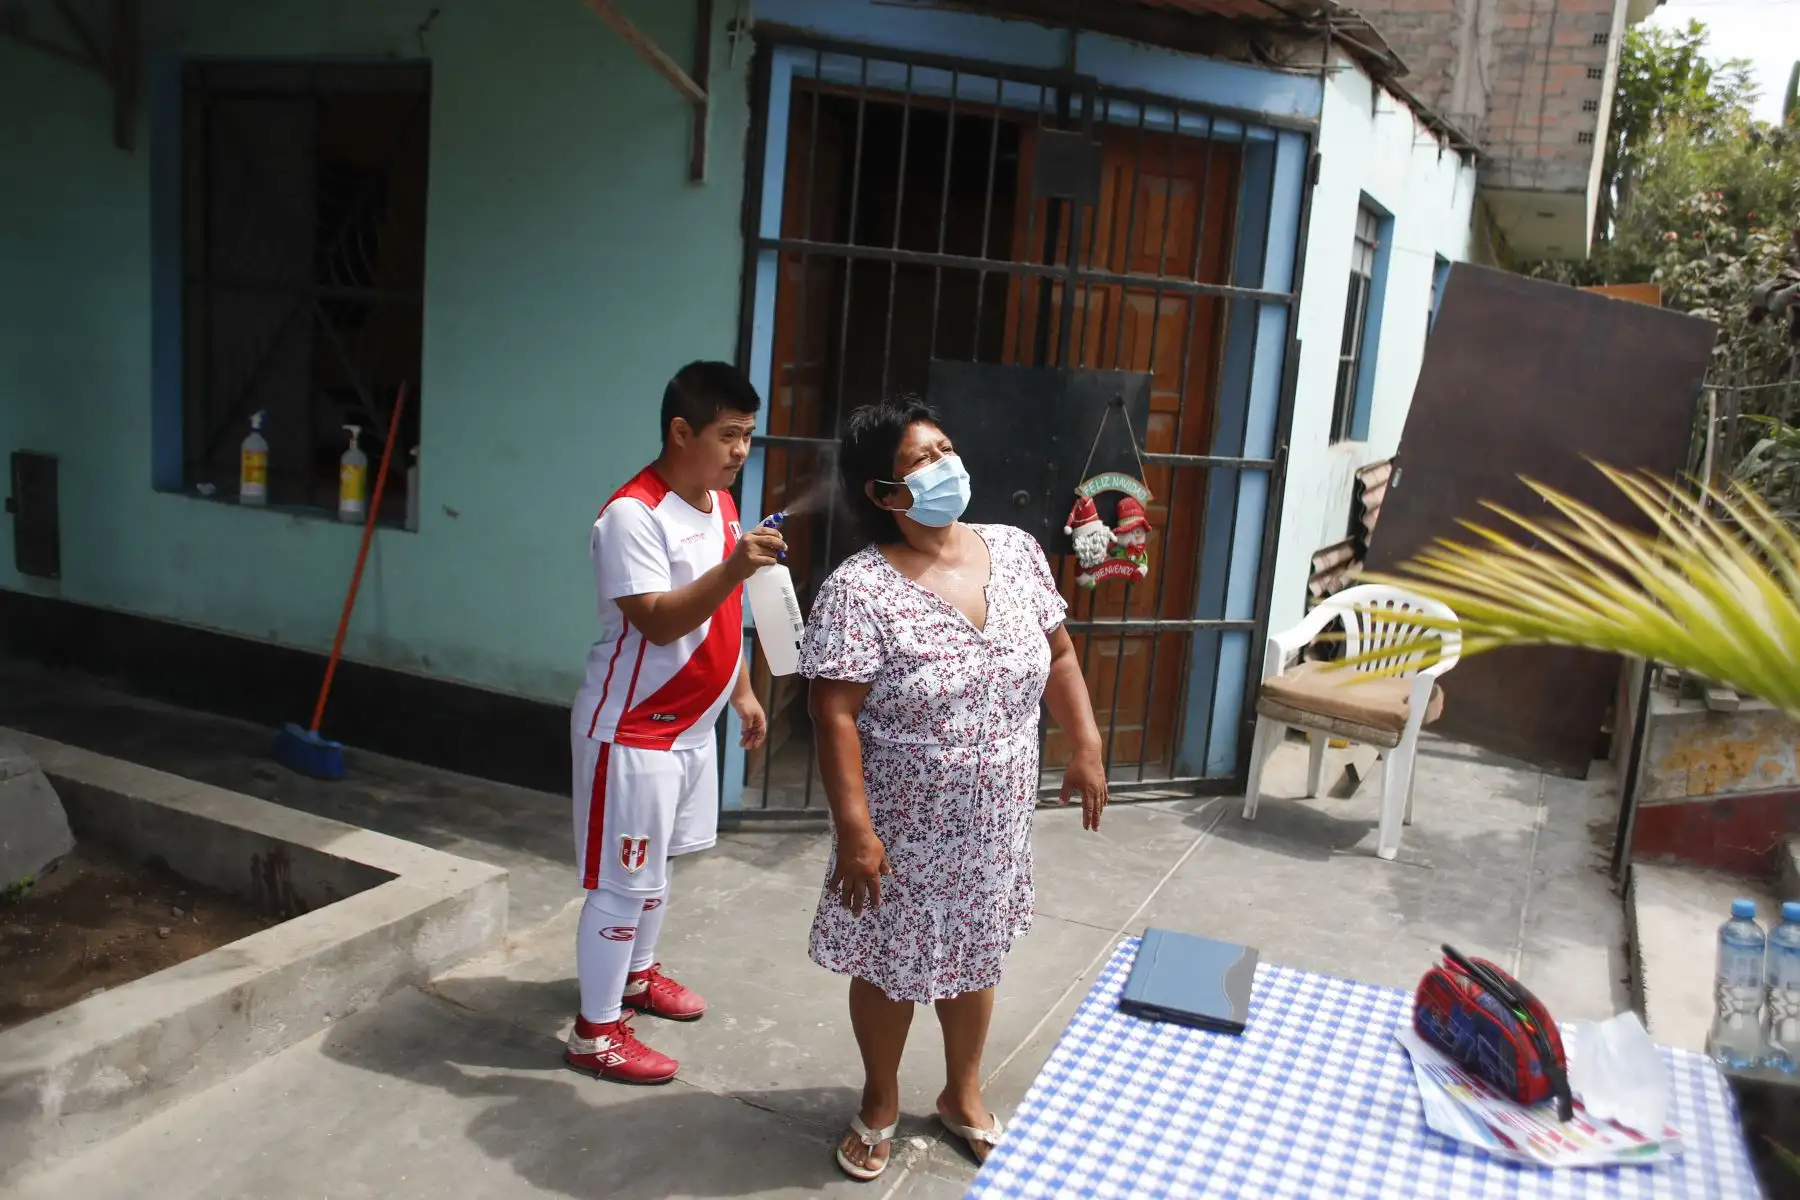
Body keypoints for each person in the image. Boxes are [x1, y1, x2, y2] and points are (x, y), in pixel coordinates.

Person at [800, 400, 1109, 1181]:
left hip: (995, 816)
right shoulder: (858, 589)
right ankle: (878, 1101)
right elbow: (832, 712)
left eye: (945, 449)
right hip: (899, 824)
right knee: (890, 964)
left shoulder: (1014, 551)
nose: (945, 467)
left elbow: (1061, 654)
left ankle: (962, 1094)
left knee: (975, 957)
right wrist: (856, 830)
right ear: (882, 494)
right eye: (920, 461)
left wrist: (1087, 745)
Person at [565, 360, 786, 1085]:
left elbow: (726, 614)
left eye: (747, 437)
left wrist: (741, 692)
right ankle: (595, 1035)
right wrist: (733, 570)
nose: (738, 452)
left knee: (658, 873)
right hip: (633, 733)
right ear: (681, 431)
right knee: (621, 884)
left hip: (691, 729)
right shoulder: (632, 514)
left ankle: (634, 979)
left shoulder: (719, 504)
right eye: (727, 436)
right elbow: (658, 623)